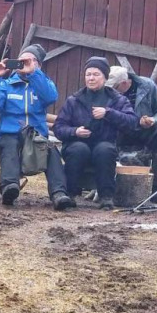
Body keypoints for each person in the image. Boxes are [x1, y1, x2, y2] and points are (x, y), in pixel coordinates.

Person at [0, 44, 72, 210]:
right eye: (21, 61)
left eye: (29, 60)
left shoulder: (43, 83)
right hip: (9, 134)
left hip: (35, 136)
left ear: (38, 64)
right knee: (9, 145)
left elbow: (50, 97)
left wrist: (34, 73)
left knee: (52, 152)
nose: (23, 64)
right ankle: (9, 187)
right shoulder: (6, 84)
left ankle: (59, 194)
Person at [54, 57, 138, 210]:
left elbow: (132, 122)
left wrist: (108, 113)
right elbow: (59, 128)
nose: (91, 78)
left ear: (105, 77)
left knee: (105, 150)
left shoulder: (117, 100)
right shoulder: (74, 100)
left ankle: (106, 197)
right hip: (76, 144)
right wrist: (75, 131)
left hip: (104, 142)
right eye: (88, 74)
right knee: (79, 149)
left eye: (96, 74)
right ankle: (70, 195)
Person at [105, 66, 157, 203]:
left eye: (114, 87)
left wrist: (153, 120)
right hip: (119, 129)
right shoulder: (106, 91)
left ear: (125, 82)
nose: (111, 90)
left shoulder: (147, 85)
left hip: (144, 130)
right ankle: (105, 186)